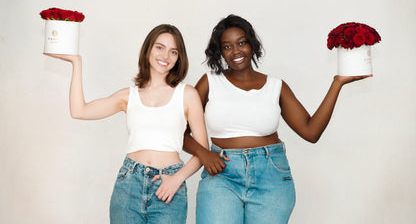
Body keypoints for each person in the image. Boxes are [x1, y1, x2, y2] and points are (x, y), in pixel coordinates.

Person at [183, 15, 369, 224]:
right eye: (227, 46)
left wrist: (337, 84)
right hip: (221, 174)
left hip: (270, 175)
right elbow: (179, 130)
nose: (236, 51)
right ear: (220, 52)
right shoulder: (210, 82)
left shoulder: (276, 86)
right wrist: (204, 153)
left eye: (241, 43)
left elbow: (311, 132)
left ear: (251, 44)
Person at [45, 24, 209, 224]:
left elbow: (203, 152)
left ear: (178, 57)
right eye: (160, 47)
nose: (166, 56)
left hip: (169, 187)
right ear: (148, 49)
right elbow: (79, 111)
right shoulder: (128, 96)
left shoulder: (187, 95)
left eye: (173, 51)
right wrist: (76, 63)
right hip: (129, 183)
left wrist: (176, 179)